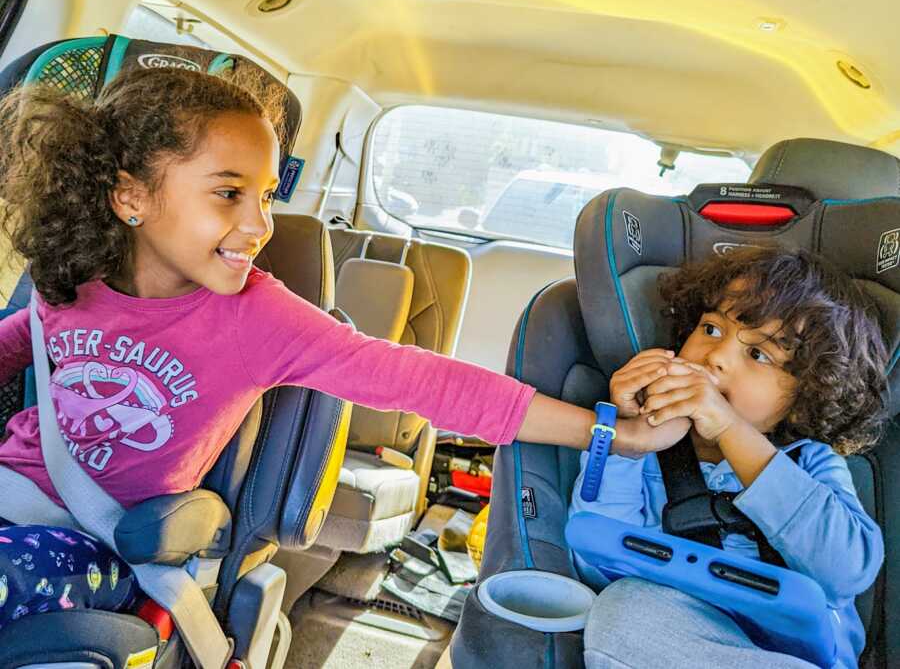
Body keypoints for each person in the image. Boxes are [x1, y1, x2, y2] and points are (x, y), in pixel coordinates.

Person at [0, 67, 666, 627]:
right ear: (129, 196)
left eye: (264, 195)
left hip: (104, 545)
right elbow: (9, 346)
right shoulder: (69, 279)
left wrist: (609, 433)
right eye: (229, 193)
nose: (260, 224)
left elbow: (421, 381)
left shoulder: (256, 316)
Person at [571, 247, 887, 669]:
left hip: (795, 649)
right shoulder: (642, 445)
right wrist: (627, 438)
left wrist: (729, 428)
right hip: (674, 633)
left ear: (804, 396)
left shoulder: (811, 462)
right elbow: (596, 558)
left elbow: (847, 571)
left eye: (759, 354)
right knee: (622, 610)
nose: (715, 357)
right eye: (711, 329)